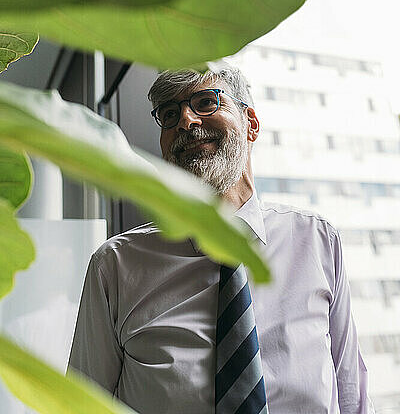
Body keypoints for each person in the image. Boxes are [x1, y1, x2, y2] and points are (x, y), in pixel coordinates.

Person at [67, 65, 375, 413]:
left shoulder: (317, 241)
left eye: (206, 102)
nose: (185, 120)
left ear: (251, 124)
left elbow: (353, 399)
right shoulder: (116, 266)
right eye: (170, 113)